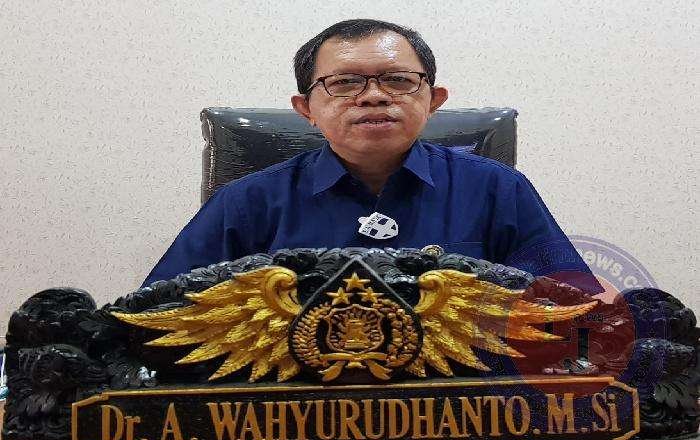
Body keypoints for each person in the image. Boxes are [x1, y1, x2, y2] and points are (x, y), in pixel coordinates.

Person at [142, 19, 601, 293]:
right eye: (344, 82)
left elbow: (573, 310)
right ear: (306, 109)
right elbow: (161, 315)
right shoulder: (246, 201)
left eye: (398, 80)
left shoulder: (497, 189)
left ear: (433, 101)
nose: (374, 96)